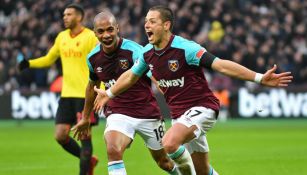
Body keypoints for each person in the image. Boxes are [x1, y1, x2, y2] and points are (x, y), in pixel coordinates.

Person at [88, 5, 293, 175]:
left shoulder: (186, 49)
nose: (146, 25)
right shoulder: (148, 53)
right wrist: (110, 93)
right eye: (146, 22)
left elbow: (221, 65)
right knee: (203, 172)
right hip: (179, 116)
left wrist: (258, 78)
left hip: (202, 108)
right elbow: (131, 76)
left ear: (166, 25)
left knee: (169, 143)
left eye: (152, 21)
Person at [71, 11, 179, 175]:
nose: (106, 35)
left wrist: (176, 103)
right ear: (95, 33)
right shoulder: (93, 58)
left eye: (110, 30)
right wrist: (86, 117)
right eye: (101, 31)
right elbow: (91, 86)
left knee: (164, 162)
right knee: (113, 149)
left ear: (117, 29)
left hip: (147, 113)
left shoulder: (135, 51)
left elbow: (156, 77)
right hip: (118, 112)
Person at [18, 3, 99, 175]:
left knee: (84, 139)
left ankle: (85, 169)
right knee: (60, 136)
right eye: (64, 14)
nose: (65, 17)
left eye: (69, 14)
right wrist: (29, 63)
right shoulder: (62, 36)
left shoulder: (90, 37)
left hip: (85, 96)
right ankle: (89, 160)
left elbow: (101, 63)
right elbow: (49, 58)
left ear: (79, 17)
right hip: (66, 95)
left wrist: (103, 90)